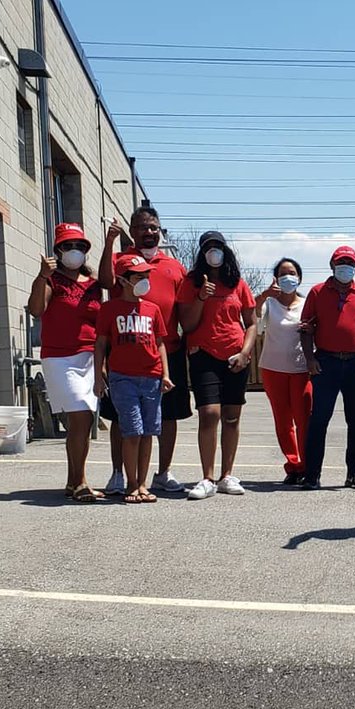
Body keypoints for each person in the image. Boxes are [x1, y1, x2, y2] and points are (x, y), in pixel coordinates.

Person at [99, 207, 190, 496]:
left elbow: (184, 308)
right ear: (132, 231)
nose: (149, 232)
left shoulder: (174, 266)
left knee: (166, 417)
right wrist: (110, 242)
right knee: (120, 417)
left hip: (165, 352)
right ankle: (119, 474)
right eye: (142, 227)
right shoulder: (120, 260)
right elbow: (105, 282)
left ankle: (162, 472)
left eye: (153, 227)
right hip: (124, 353)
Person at [176, 233, 257, 500]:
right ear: (202, 252)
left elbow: (251, 323)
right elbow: (187, 324)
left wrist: (245, 353)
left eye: (218, 247)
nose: (214, 251)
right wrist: (201, 297)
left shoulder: (238, 283)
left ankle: (226, 476)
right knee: (210, 413)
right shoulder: (191, 283)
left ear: (225, 251)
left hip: (235, 356)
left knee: (232, 417)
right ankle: (207, 478)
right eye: (209, 247)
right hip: (204, 354)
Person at [27, 223, 104, 502]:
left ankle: (74, 482)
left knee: (82, 421)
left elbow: (100, 323)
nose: (75, 250)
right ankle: (81, 482)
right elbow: (36, 310)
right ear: (58, 250)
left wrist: (102, 363)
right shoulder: (51, 280)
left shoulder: (93, 284)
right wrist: (42, 276)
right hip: (60, 358)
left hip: (89, 357)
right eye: (69, 246)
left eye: (80, 246)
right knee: (81, 416)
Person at [299, 246, 355, 490]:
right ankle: (312, 475)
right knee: (319, 419)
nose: (345, 267)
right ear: (332, 265)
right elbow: (306, 328)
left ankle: (354, 473)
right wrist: (309, 359)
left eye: (350, 263)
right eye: (341, 262)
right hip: (326, 362)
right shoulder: (317, 292)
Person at [93, 255, 174, 504]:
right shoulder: (109, 309)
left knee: (148, 432)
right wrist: (98, 377)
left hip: (151, 378)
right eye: (139, 277)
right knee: (132, 431)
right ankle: (130, 483)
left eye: (146, 276)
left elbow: (160, 343)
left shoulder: (152, 309)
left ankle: (142, 484)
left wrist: (165, 374)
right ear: (123, 280)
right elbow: (100, 344)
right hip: (122, 378)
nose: (145, 281)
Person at [256, 257, 312, 485]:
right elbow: (254, 321)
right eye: (282, 274)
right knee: (283, 421)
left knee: (304, 419)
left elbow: (317, 330)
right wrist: (264, 295)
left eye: (292, 273)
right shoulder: (269, 304)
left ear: (299, 278)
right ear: (276, 279)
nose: (287, 277)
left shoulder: (308, 303)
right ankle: (293, 465)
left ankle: (308, 465)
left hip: (301, 369)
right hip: (273, 368)